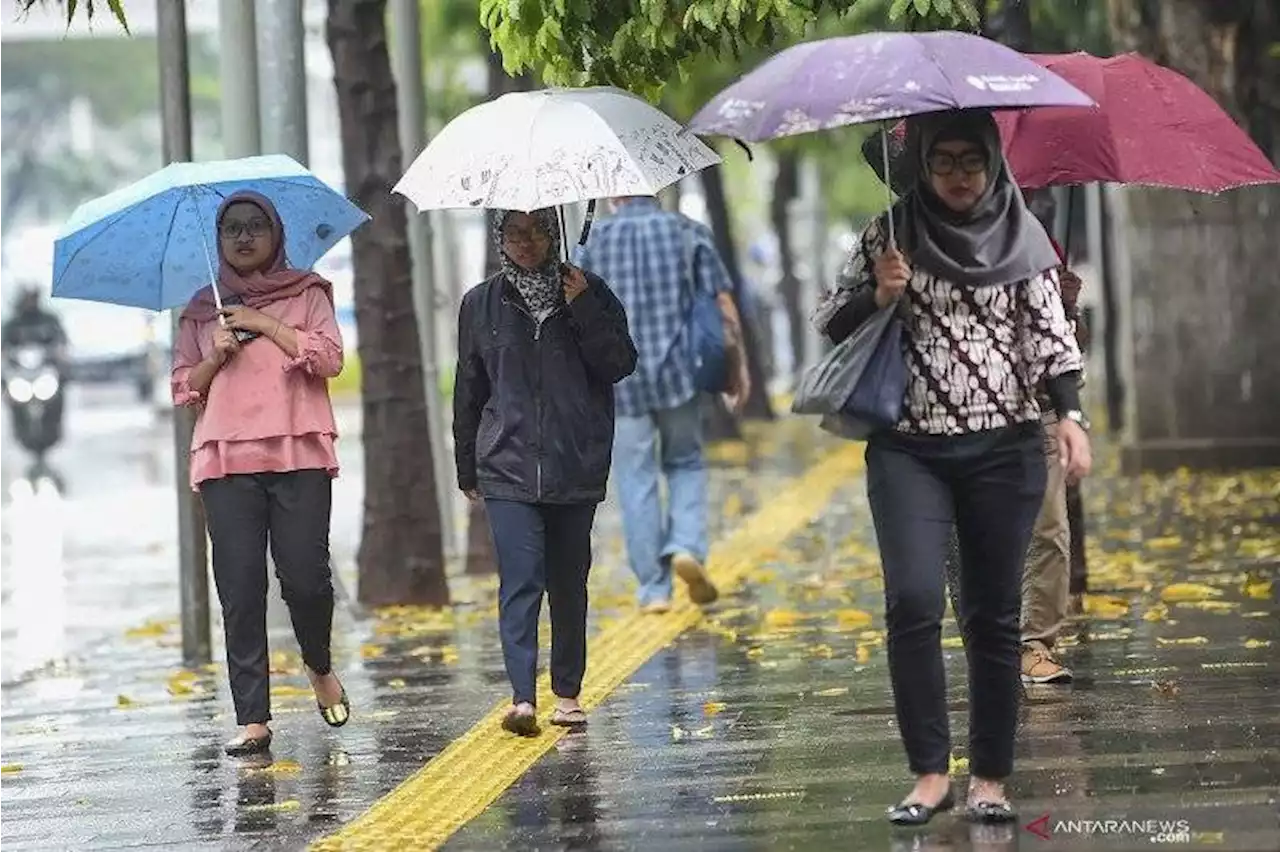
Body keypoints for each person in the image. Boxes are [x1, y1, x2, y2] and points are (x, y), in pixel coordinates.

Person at [815, 111, 1092, 825]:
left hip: (1002, 447)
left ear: (992, 162)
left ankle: (991, 779)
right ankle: (930, 774)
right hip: (908, 448)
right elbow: (829, 321)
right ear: (924, 167)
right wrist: (878, 293)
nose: (960, 175)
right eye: (945, 162)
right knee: (911, 600)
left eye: (972, 161)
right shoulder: (890, 233)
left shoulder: (1022, 233)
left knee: (992, 617)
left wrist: (1069, 417)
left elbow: (1049, 337)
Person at [171, 190, 349, 756]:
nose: (243, 237)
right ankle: (252, 717)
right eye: (232, 229)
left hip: (299, 454)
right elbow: (184, 387)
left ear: (275, 234)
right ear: (220, 242)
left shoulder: (309, 292)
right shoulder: (202, 307)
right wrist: (216, 352)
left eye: (255, 227)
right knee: (240, 589)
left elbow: (330, 360)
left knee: (306, 579)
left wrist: (262, 322)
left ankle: (318, 664)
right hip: (226, 459)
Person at [454, 208, 637, 736]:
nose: (527, 242)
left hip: (573, 460)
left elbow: (619, 364)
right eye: (514, 232)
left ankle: (568, 692)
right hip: (506, 463)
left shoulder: (590, 291)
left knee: (567, 581)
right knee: (520, 579)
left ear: (554, 232)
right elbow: (469, 389)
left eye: (537, 231)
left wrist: (582, 308)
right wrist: (467, 464)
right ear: (499, 238)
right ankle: (521, 698)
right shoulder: (481, 303)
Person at [574, 195, 750, 614]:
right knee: (685, 461)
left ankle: (654, 589)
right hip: (681, 375)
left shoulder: (591, 243)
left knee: (636, 479)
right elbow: (723, 305)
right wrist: (738, 369)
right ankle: (687, 544)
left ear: (615, 193)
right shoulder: (688, 231)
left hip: (622, 380)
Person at [1, 286, 68, 355]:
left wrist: (59, 350)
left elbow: (61, 339)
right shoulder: (13, 324)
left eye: (33, 297)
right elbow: (4, 344)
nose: (31, 301)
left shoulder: (49, 320)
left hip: (47, 359)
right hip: (17, 360)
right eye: (28, 298)